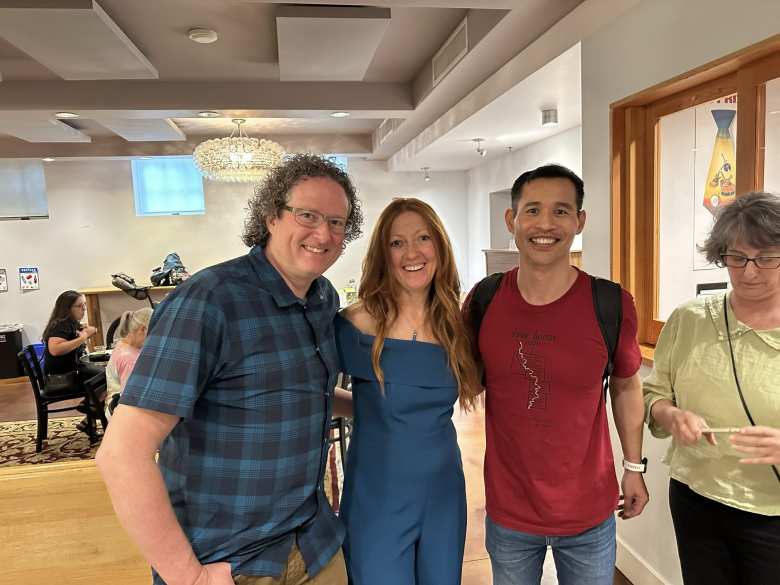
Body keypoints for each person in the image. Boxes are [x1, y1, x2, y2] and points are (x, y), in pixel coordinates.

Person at [96, 154, 364, 585]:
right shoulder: (207, 302)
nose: (324, 233)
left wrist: (378, 407)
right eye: (308, 215)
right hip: (228, 562)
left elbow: (297, 388)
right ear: (272, 216)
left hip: (315, 546)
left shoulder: (322, 298)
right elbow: (121, 455)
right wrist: (189, 577)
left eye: (337, 222)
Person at [466, 164, 648, 585]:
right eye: (532, 210)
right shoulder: (485, 300)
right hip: (510, 509)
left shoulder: (611, 303)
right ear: (511, 220)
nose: (545, 224)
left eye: (561, 211)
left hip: (589, 510)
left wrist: (634, 466)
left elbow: (626, 384)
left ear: (580, 221)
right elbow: (465, 379)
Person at [335, 197, 481, 585]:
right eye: (397, 243)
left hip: (443, 492)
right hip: (377, 494)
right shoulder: (353, 325)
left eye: (423, 238)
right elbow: (313, 393)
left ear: (439, 247)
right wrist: (370, 410)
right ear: (384, 253)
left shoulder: (457, 325)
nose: (412, 253)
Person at [643, 191, 780, 585]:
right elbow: (655, 394)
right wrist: (671, 415)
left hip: (773, 512)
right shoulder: (690, 320)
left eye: (766, 258)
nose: (749, 271)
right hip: (697, 497)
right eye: (736, 258)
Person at [41, 290, 102, 432]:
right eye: (79, 306)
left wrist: (87, 331)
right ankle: (91, 406)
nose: (84, 309)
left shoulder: (71, 323)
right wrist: (83, 337)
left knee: (105, 373)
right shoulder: (60, 325)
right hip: (61, 378)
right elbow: (55, 349)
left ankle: (89, 414)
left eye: (84, 305)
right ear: (67, 309)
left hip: (69, 372)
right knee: (108, 376)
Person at [104, 307, 153, 418]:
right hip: (120, 411)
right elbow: (132, 397)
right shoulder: (128, 358)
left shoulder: (124, 344)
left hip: (119, 403)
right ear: (143, 329)